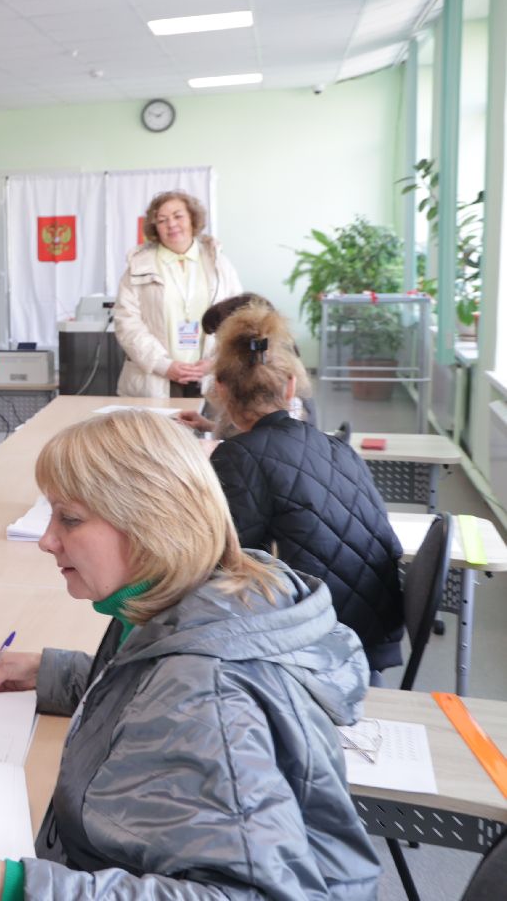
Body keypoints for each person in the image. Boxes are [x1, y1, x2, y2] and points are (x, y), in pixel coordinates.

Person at [0, 409, 380, 899]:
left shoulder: (208, 695)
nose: (47, 541)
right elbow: (145, 684)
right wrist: (56, 673)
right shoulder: (181, 600)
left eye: (69, 519)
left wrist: (20, 888)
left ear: (151, 522)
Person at [207, 303, 405, 676]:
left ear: (220, 388)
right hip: (370, 636)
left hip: (314, 650)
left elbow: (221, 566)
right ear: (290, 386)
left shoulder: (237, 457)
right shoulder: (338, 448)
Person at [114, 190, 242, 398]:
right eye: (162, 220)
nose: (171, 224)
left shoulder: (219, 264)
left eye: (178, 216)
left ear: (193, 219)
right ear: (155, 227)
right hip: (155, 380)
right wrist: (163, 365)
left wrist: (215, 362)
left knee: (206, 420)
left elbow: (238, 318)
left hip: (210, 378)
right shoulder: (138, 266)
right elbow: (127, 323)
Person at [175, 292, 317, 436]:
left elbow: (261, 437)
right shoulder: (283, 370)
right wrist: (208, 425)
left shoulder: (266, 378)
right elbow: (258, 430)